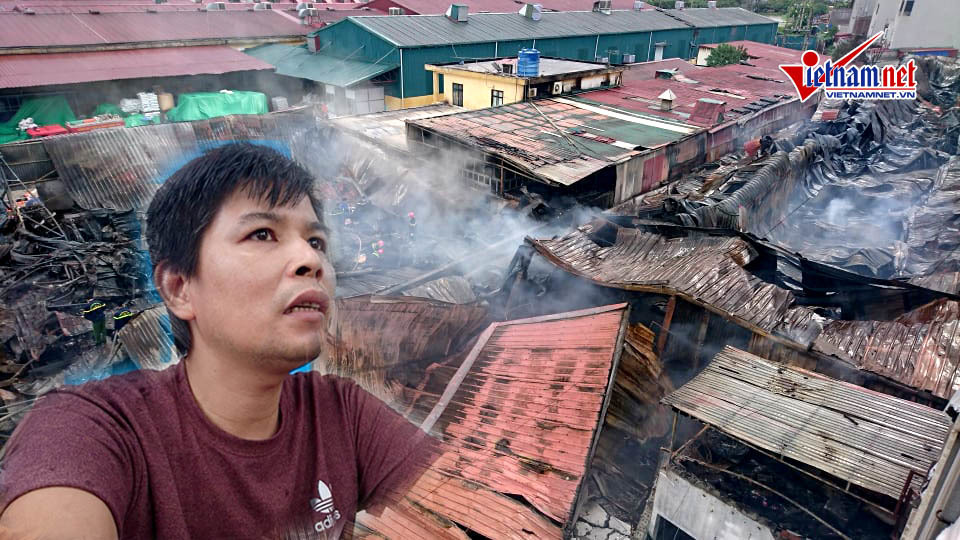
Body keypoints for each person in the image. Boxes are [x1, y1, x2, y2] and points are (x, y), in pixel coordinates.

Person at [0, 143, 438, 539]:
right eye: (262, 234)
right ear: (178, 289)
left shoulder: (343, 415)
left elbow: (459, 501)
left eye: (316, 240)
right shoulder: (97, 430)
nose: (311, 260)